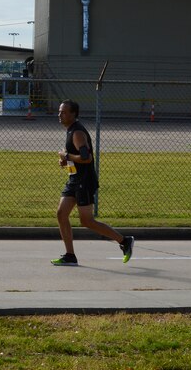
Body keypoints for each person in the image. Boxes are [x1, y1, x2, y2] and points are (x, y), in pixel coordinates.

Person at [51, 99, 134, 266]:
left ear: (73, 114)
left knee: (87, 221)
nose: (60, 114)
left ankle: (124, 241)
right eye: (60, 111)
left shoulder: (77, 133)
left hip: (84, 181)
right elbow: (77, 158)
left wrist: (67, 157)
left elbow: (86, 158)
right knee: (61, 214)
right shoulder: (70, 131)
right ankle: (70, 255)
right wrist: (67, 162)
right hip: (74, 180)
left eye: (64, 112)